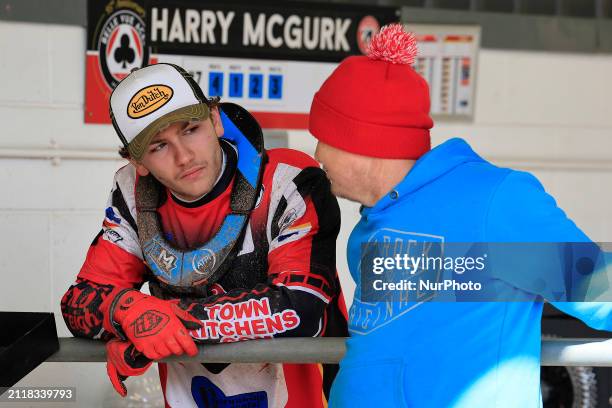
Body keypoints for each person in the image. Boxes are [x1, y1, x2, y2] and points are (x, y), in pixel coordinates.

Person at [308, 23, 612, 407]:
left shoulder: (494, 202)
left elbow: (598, 288)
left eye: (324, 137)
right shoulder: (369, 228)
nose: (317, 153)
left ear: (362, 142)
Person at [61, 63, 348, 407]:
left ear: (215, 119)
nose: (184, 156)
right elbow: (80, 301)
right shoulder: (131, 192)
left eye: (191, 129)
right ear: (137, 162)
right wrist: (126, 312)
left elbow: (301, 308)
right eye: (158, 146)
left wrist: (157, 325)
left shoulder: (288, 180)